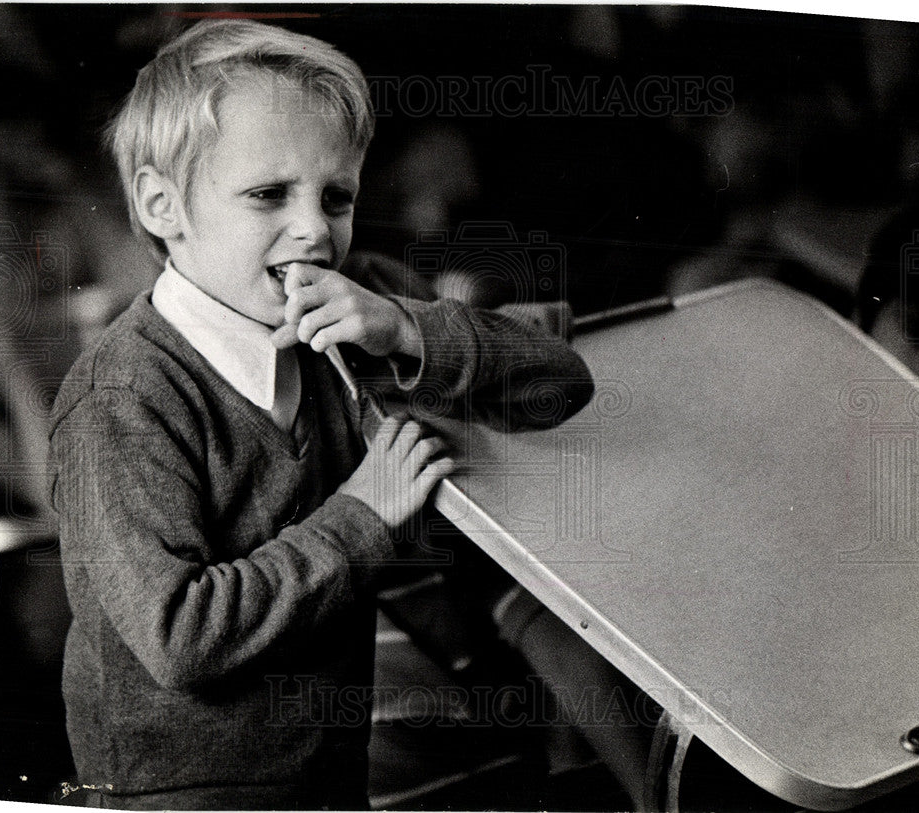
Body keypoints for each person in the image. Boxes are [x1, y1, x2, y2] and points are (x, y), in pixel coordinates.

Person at [47, 19, 593, 810]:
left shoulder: (348, 308)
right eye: (269, 194)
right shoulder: (123, 393)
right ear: (162, 205)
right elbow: (182, 636)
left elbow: (561, 385)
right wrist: (364, 513)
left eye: (336, 196)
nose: (314, 228)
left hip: (329, 782)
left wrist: (407, 326)